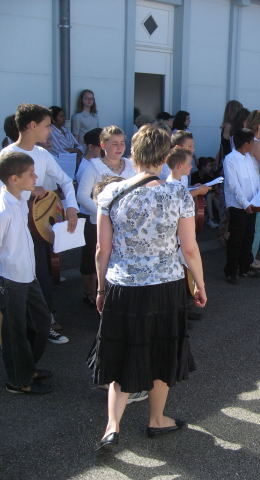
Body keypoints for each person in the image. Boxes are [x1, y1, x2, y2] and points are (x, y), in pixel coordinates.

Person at [92, 124, 206, 450]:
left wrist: (100, 289)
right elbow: (189, 249)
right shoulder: (177, 194)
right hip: (165, 286)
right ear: (166, 156)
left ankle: (112, 426)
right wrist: (200, 284)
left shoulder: (111, 193)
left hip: (123, 285)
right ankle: (156, 419)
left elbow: (102, 249)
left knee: (121, 352)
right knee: (162, 352)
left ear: (134, 153)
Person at [0, 103, 79, 344]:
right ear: (32, 126)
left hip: (38, 227)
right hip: (14, 231)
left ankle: (44, 324)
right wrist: (28, 191)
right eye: (47, 125)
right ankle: (23, 334)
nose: (50, 130)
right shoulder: (7, 155)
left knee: (43, 277)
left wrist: (71, 207)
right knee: (18, 282)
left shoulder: (43, 154)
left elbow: (65, 180)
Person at [0, 151, 52, 394]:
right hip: (10, 278)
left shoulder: (19, 197)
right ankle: (18, 381)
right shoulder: (3, 208)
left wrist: (33, 192)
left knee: (41, 322)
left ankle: (27, 366)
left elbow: (31, 192)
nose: (36, 177)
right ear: (14, 178)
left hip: (28, 274)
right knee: (15, 331)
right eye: (31, 174)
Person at [77, 126, 136, 306]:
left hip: (124, 223)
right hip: (98, 223)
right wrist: (104, 213)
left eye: (122, 143)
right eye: (114, 144)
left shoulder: (131, 165)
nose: (119, 147)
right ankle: (93, 293)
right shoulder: (94, 166)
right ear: (103, 145)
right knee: (94, 259)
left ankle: (116, 296)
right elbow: (82, 195)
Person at [223, 129, 260, 284]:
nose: (253, 145)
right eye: (252, 142)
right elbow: (233, 185)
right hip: (238, 206)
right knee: (236, 238)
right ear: (246, 143)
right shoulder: (230, 159)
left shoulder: (249, 158)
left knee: (249, 236)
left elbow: (255, 179)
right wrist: (245, 203)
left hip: (252, 203)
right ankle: (231, 271)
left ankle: (245, 267)